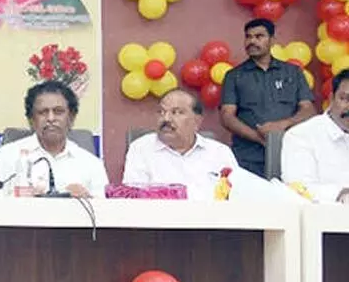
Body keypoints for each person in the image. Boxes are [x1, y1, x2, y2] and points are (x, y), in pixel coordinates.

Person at [0, 80, 108, 198]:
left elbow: (105, 214)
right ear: (32, 120)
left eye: (58, 111)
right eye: (43, 112)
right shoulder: (8, 155)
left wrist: (87, 200)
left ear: (71, 118)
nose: (51, 118)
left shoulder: (91, 164)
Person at [220, 18, 316, 177]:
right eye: (248, 37)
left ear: (272, 40)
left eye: (259, 36)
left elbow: (309, 110)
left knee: (291, 199)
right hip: (248, 157)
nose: (252, 41)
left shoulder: (293, 73)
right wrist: (259, 138)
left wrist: (282, 125)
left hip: (290, 152)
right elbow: (227, 116)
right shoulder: (234, 76)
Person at [122, 89, 240, 199]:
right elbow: (135, 200)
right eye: (161, 112)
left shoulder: (220, 152)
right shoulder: (141, 148)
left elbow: (235, 197)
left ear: (197, 121)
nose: (166, 118)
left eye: (176, 112)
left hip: (209, 219)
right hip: (159, 219)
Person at [281, 69, 349, 202]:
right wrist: (341, 194)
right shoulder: (301, 135)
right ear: (331, 99)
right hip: (323, 218)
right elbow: (298, 187)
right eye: (345, 99)